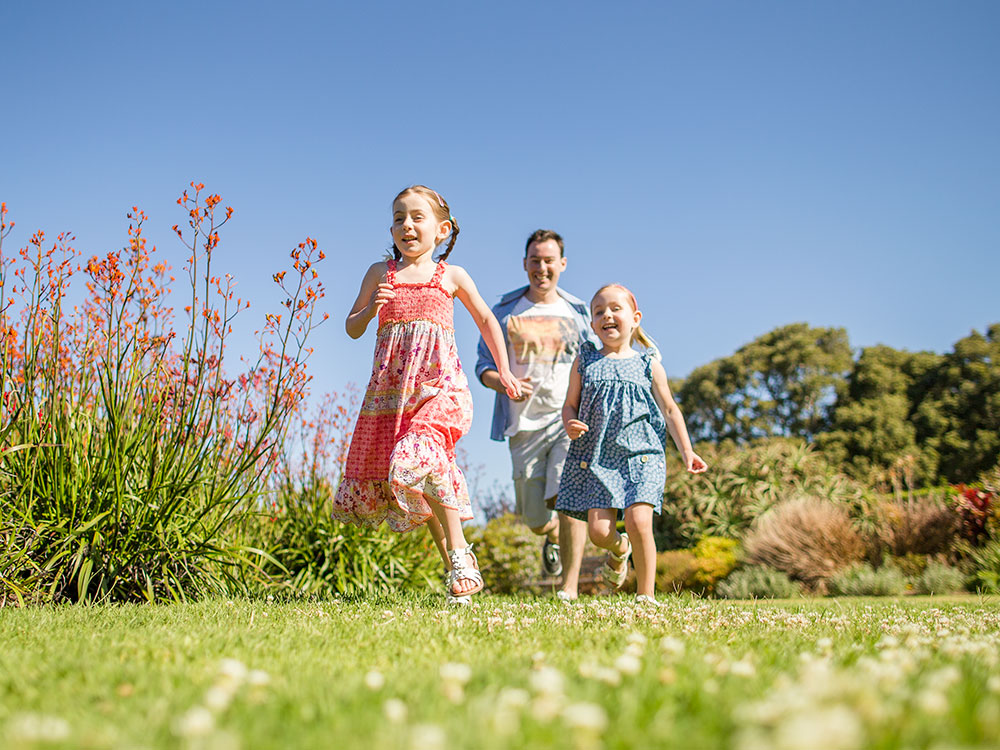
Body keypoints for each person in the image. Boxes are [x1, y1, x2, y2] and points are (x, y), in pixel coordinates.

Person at [333, 185, 520, 604]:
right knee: (422, 481)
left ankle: (459, 554)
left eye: (417, 217)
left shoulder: (451, 275)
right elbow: (351, 326)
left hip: (440, 389)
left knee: (420, 457)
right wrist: (370, 308)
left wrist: (504, 369)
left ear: (442, 230)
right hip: (393, 396)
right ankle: (459, 569)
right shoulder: (380, 274)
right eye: (399, 218)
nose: (407, 225)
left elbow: (487, 320)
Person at [557, 283, 707, 605]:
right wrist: (569, 422)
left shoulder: (648, 364)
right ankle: (620, 548)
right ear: (592, 323)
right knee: (598, 533)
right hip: (598, 457)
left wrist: (687, 450)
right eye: (599, 312)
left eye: (615, 309)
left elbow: (669, 409)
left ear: (635, 318)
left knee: (640, 521)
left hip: (642, 455)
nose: (607, 315)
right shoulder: (585, 361)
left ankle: (646, 595)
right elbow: (569, 404)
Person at [475, 229, 595, 601]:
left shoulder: (578, 314)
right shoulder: (505, 311)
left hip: (567, 421)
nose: (541, 268)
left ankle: (568, 588)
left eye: (548, 261)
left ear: (562, 264)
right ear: (525, 264)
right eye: (534, 261)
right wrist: (505, 382)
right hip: (522, 423)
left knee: (570, 497)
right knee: (535, 519)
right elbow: (482, 367)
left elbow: (593, 363)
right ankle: (550, 533)